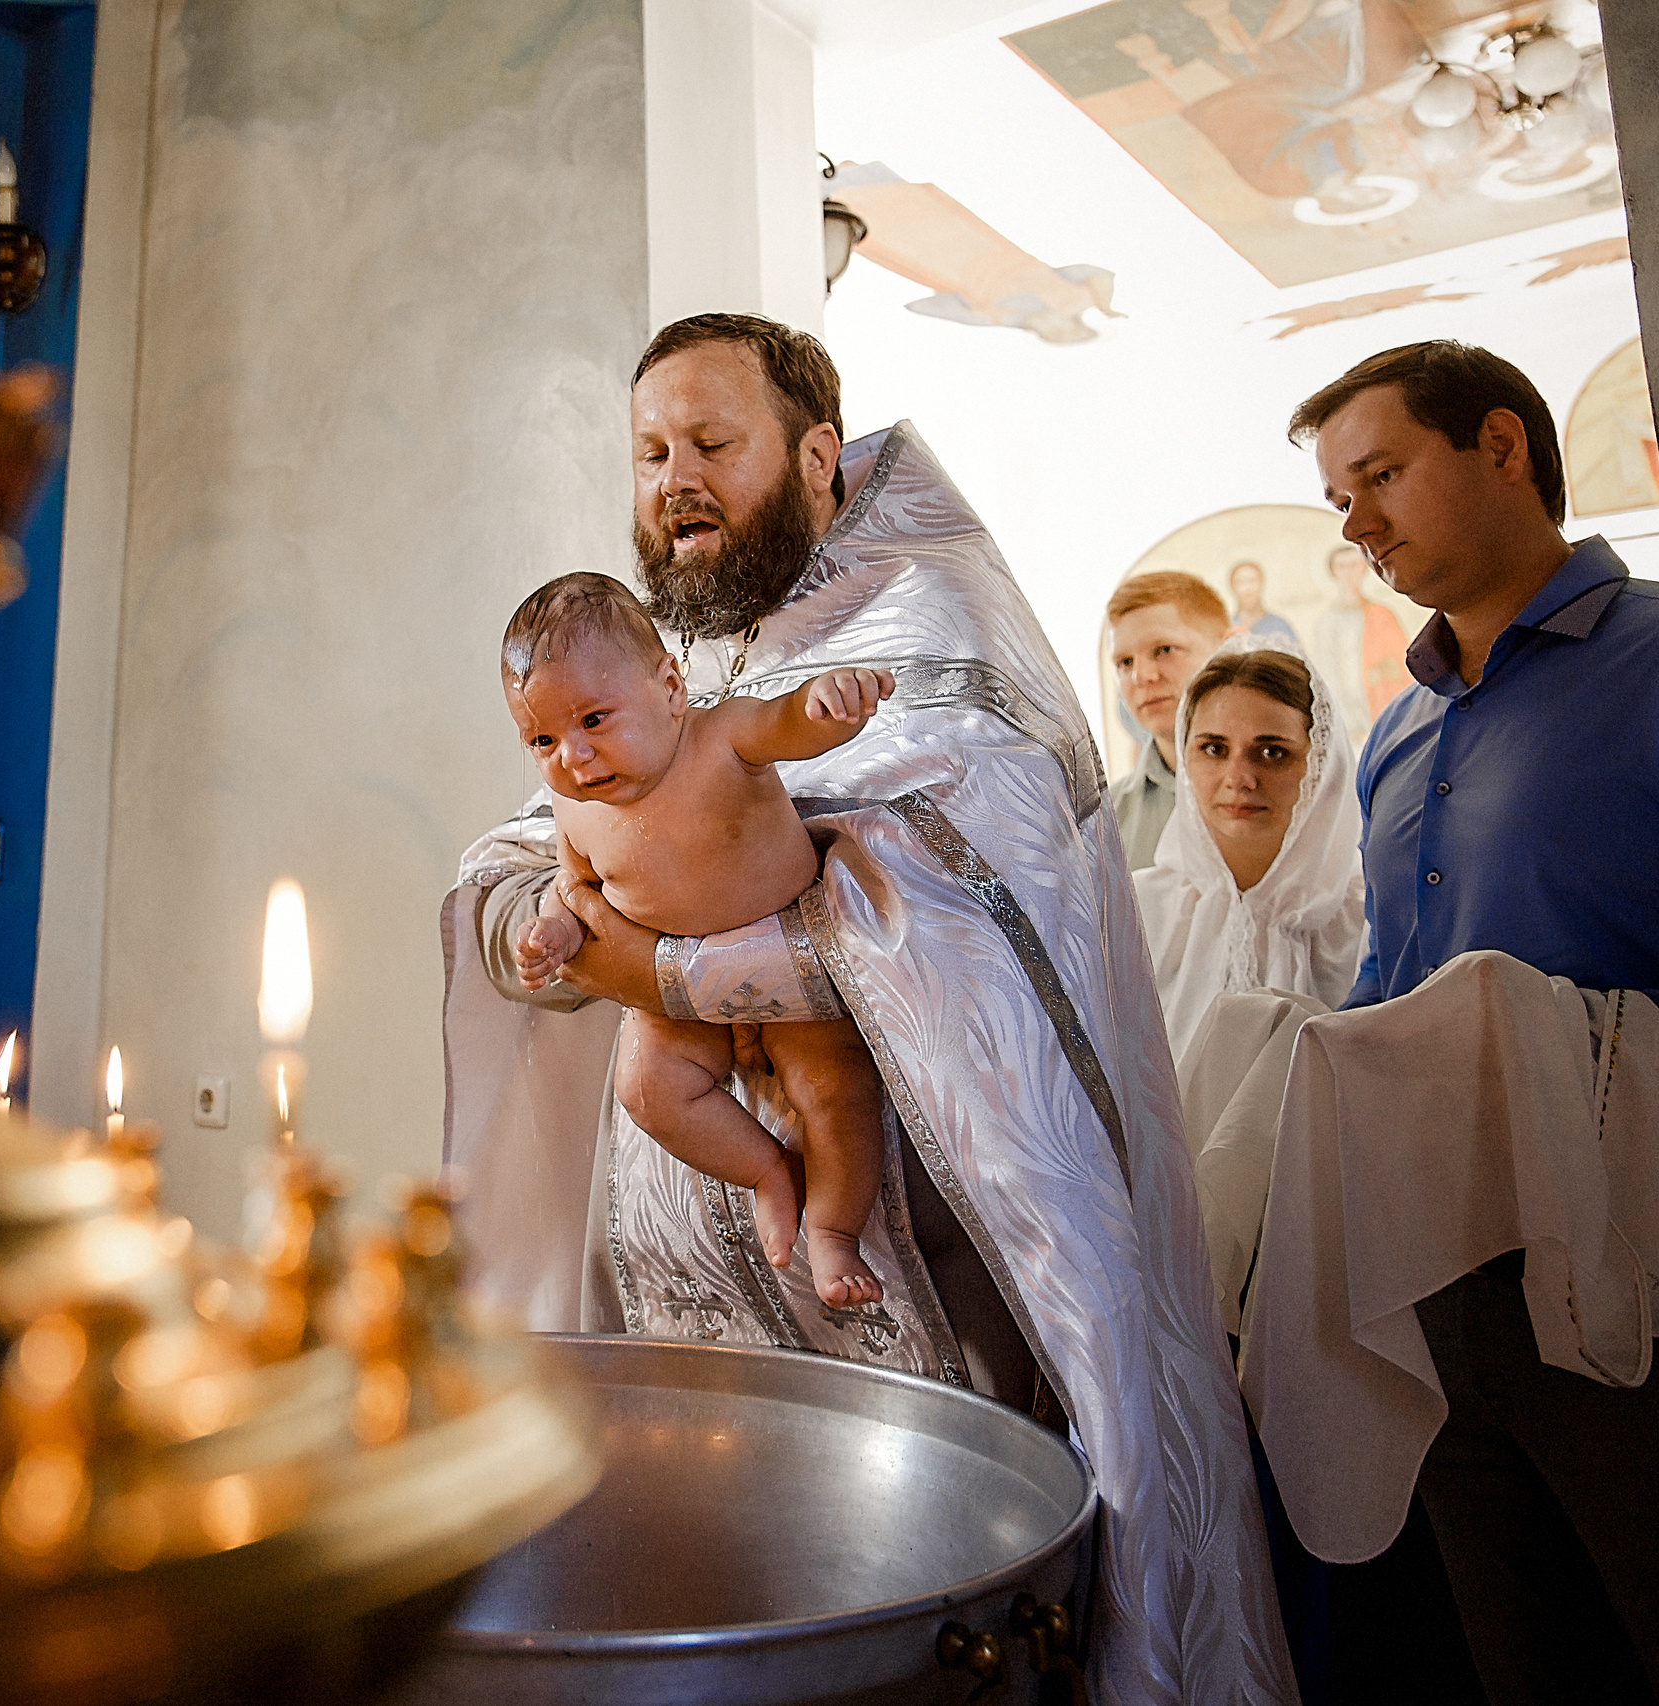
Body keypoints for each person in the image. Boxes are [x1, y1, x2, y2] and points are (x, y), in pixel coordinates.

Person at [443, 313, 1294, 1705]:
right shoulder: (702, 651)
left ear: (818, 456)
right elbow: (545, 841)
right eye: (652, 450)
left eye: (714, 444)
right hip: (714, 1314)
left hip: (951, 1297)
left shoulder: (934, 635)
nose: (675, 479)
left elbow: (935, 915)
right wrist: (532, 909)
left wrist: (642, 969)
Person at [1292, 338, 1659, 1704]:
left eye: (1381, 475)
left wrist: (1576, 1069)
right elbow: (1405, 997)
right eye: (1338, 500)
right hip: (1466, 1307)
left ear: (1504, 446)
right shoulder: (1401, 737)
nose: (1355, 523)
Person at [501, 572, 894, 1308]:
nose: (573, 758)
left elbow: (789, 723)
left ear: (671, 688)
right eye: (542, 738)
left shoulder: (723, 738)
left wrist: (828, 707)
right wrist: (552, 934)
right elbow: (574, 886)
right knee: (646, 1088)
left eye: (594, 719)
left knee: (836, 1091)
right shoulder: (574, 807)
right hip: (672, 998)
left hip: (789, 970)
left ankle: (835, 1231)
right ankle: (767, 1172)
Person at [1133, 643, 1363, 1063]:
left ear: (1322, 765)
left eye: (1273, 752)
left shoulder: (1369, 920)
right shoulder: (1136, 915)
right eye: (1214, 749)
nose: (1238, 778)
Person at [1106, 571, 1229, 868]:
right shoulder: (1105, 821)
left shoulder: (1295, 787)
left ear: (1226, 649)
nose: (1141, 677)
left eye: (1164, 650)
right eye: (1125, 662)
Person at [1312, 543, 1409, 736]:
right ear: (1333, 571)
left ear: (1363, 568)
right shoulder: (1327, 622)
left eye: (1354, 565)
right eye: (1342, 566)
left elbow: (1401, 663)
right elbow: (1326, 670)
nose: (1349, 572)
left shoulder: (1381, 614)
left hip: (1381, 704)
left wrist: (1379, 669)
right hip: (1347, 714)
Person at [1227, 560, 1298, 644]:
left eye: (1252, 581)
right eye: (1241, 582)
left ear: (1261, 583)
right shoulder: (1227, 627)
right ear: (1232, 586)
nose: (1247, 588)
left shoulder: (1279, 626)